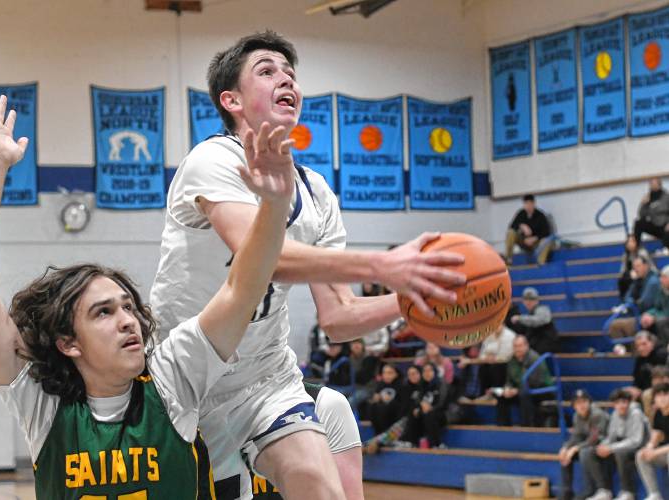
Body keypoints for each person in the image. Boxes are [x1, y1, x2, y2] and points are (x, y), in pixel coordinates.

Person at [149, 30, 465, 500]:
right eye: (267, 71)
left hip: (265, 378)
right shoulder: (212, 160)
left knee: (322, 487)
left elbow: (339, 319)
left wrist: (411, 298)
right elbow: (261, 260)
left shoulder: (316, 192)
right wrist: (382, 266)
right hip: (186, 376)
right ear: (230, 99)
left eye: (291, 74)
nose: (285, 80)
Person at [0, 93, 295, 498]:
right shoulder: (42, 406)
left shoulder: (173, 379)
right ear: (68, 342)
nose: (127, 320)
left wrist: (274, 205)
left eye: (128, 306)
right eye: (103, 312)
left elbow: (243, 288)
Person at [582, 389, 649, 500]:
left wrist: (611, 448)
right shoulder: (615, 414)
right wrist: (603, 446)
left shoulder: (636, 413)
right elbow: (611, 437)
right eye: (617, 403)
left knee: (620, 453)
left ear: (629, 402)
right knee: (589, 452)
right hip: (622, 445)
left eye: (624, 402)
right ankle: (604, 490)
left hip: (639, 446)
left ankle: (628, 492)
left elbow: (636, 441)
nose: (621, 405)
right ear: (614, 404)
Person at [557, 390, 609, 500]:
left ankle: (596, 489)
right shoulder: (577, 416)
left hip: (604, 443)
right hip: (590, 444)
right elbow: (576, 435)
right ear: (574, 406)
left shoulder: (597, 414)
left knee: (584, 452)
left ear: (589, 402)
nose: (581, 405)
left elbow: (595, 438)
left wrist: (576, 448)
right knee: (566, 454)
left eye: (584, 401)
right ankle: (567, 490)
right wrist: (566, 447)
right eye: (578, 403)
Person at [493, 335, 553, 427]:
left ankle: (527, 427)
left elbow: (535, 382)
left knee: (524, 394)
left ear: (526, 346)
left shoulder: (534, 358)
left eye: (520, 346)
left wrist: (517, 391)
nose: (517, 349)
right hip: (521, 391)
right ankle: (503, 427)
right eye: (515, 346)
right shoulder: (512, 360)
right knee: (501, 396)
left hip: (542, 391)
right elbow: (509, 380)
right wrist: (507, 388)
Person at [609, 256, 661, 341]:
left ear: (646, 266)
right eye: (634, 267)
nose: (635, 269)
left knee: (616, 325)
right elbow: (626, 298)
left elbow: (644, 304)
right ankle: (628, 350)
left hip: (651, 314)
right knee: (614, 325)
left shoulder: (653, 281)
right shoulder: (637, 280)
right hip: (638, 315)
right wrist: (633, 301)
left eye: (638, 266)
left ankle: (635, 350)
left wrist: (633, 303)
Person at [458, 324, 515, 395]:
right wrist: (487, 358)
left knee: (496, 368)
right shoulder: (490, 333)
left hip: (506, 364)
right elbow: (482, 353)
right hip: (490, 362)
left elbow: (505, 357)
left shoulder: (510, 335)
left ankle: (497, 395)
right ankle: (482, 394)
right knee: (483, 368)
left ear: (503, 323)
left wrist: (492, 357)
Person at [637, 382, 669, 500]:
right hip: (663, 452)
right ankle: (654, 494)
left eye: (665, 394)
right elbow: (657, 433)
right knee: (641, 455)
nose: (662, 398)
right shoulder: (658, 413)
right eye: (658, 395)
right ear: (654, 399)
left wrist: (655, 452)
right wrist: (650, 446)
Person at [505, 194, 553, 265]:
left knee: (546, 241)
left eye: (530, 204)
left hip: (536, 243)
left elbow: (546, 232)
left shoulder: (540, 216)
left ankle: (541, 263)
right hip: (524, 242)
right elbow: (512, 227)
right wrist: (522, 226)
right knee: (511, 233)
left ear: (534, 204)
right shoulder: (521, 214)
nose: (528, 206)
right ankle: (508, 259)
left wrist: (534, 238)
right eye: (526, 204)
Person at [511, 287, 559, 353]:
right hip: (536, 348)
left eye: (531, 299)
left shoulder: (542, 309)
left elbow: (539, 320)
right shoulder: (529, 315)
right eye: (526, 300)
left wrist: (520, 318)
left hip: (546, 348)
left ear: (537, 300)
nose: (528, 302)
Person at [625, 331, 668, 403]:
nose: (641, 348)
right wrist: (635, 389)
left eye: (644, 344)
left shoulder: (663, 354)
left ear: (652, 342)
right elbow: (636, 379)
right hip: (645, 392)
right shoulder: (639, 359)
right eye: (638, 346)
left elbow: (663, 378)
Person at [363, 363, 404, 435]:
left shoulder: (401, 385)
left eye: (390, 373)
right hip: (382, 413)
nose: (386, 375)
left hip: (395, 413)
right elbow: (375, 398)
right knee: (373, 405)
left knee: (384, 407)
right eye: (384, 373)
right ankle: (377, 433)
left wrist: (388, 400)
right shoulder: (381, 384)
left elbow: (402, 402)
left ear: (396, 374)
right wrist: (376, 398)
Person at [634, 177, 669, 252]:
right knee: (638, 223)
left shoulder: (666, 196)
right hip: (655, 226)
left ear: (659, 185)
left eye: (654, 184)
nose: (652, 185)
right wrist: (643, 204)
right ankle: (637, 248)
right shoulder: (648, 197)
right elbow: (641, 215)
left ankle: (666, 249)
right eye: (651, 184)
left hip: (665, 226)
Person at [618, 233, 655, 301]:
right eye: (628, 242)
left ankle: (635, 300)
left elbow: (650, 266)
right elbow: (622, 271)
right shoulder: (626, 255)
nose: (630, 244)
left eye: (632, 241)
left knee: (635, 280)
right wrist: (630, 274)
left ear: (637, 242)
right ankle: (625, 301)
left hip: (644, 274)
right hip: (632, 275)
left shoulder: (642, 252)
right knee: (622, 280)